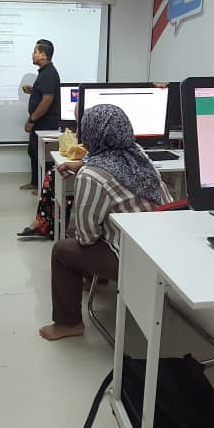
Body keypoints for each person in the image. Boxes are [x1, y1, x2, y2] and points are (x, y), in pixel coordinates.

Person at [40, 104, 172, 341]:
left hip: (137, 258)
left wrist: (85, 172)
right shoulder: (139, 155)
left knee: (63, 250)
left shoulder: (91, 175)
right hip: (166, 250)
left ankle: (69, 323)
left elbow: (86, 237)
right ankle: (95, 277)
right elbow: (112, 166)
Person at [20, 39, 61, 191]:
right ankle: (36, 183)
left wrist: (31, 119)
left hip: (45, 123)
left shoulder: (48, 73)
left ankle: (44, 189)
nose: (32, 55)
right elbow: (44, 94)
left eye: (35, 52)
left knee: (44, 156)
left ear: (43, 55)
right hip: (41, 123)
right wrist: (33, 91)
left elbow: (47, 100)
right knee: (34, 152)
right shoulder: (45, 72)